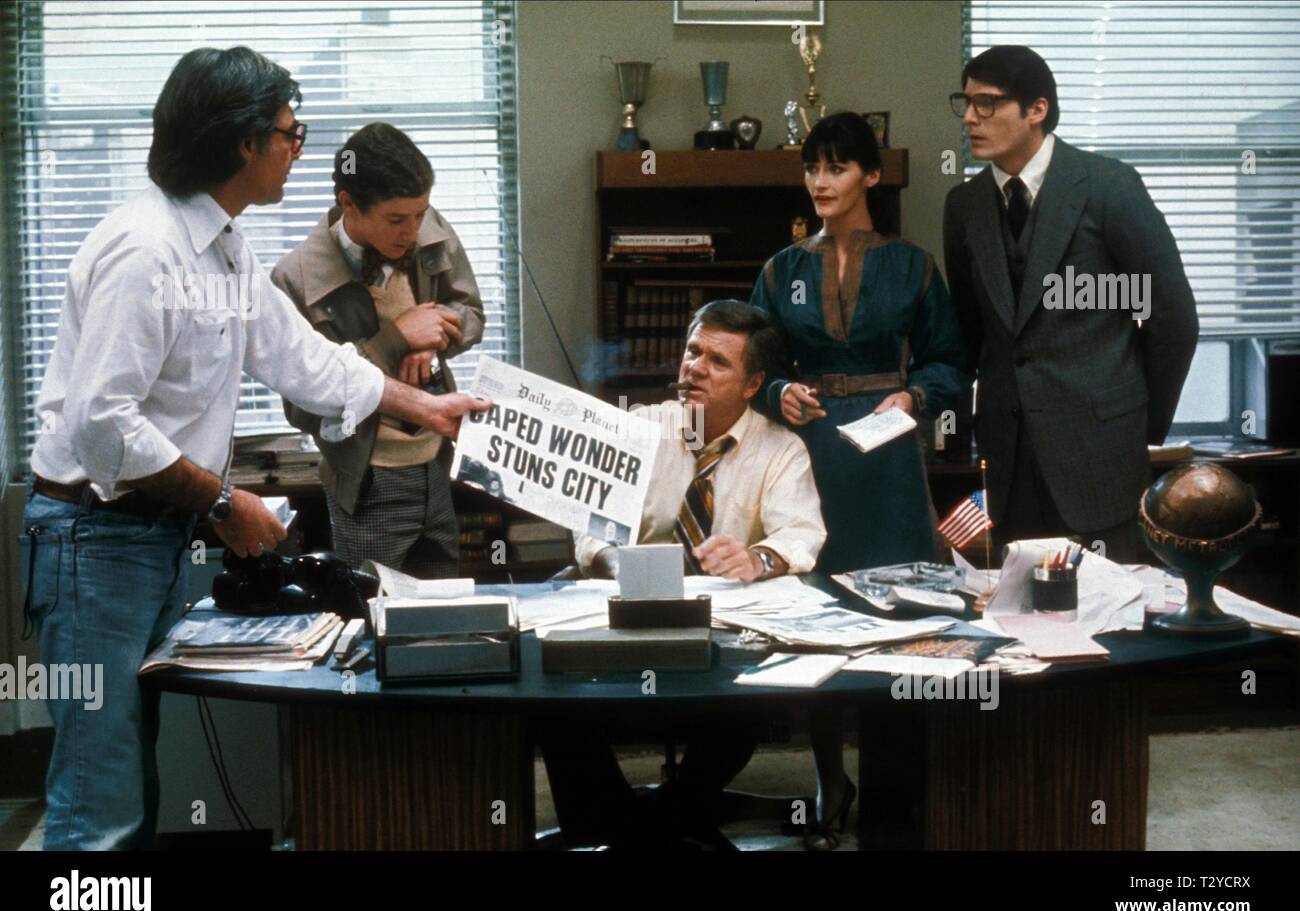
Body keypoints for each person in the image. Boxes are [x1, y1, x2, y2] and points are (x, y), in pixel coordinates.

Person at [20, 47, 487, 850]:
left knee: (129, 783)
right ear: (243, 143)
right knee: (101, 798)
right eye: (289, 132)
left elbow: (306, 360)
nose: (297, 147)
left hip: (143, 539)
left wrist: (427, 407)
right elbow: (104, 423)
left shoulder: (225, 248)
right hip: (93, 545)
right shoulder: (147, 250)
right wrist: (220, 501)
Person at [748, 112, 970, 848]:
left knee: (900, 617)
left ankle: (895, 793)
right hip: (813, 455)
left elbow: (946, 359)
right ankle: (825, 777)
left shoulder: (913, 265)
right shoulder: (782, 271)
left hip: (888, 454)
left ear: (871, 176)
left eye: (838, 168)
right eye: (813, 167)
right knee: (815, 617)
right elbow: (751, 363)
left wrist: (914, 396)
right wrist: (776, 391)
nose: (821, 181)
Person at [543, 300, 827, 849]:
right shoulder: (640, 426)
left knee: (748, 703)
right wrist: (611, 561)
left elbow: (801, 535)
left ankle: (645, 824)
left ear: (753, 384)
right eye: (693, 351)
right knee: (551, 693)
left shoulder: (781, 448)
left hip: (720, 627)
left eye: (717, 361)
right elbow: (591, 524)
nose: (694, 367)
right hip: (624, 614)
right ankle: (655, 821)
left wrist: (757, 559)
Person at [943, 45, 1198, 562]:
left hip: (1100, 451)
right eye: (965, 103)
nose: (970, 117)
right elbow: (971, 334)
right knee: (1019, 623)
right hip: (1008, 459)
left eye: (987, 103)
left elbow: (1171, 318)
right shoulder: (964, 206)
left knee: (1112, 621)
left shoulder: (1108, 186)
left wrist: (1140, 422)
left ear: (1037, 110)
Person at [273, 123, 484, 577]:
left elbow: (471, 314)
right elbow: (303, 406)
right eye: (396, 220)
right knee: (373, 619)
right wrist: (396, 341)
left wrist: (434, 340)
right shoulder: (293, 279)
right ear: (348, 203)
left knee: (444, 617)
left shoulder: (425, 224)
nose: (412, 231)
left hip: (438, 462)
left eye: (420, 214)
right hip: (368, 480)